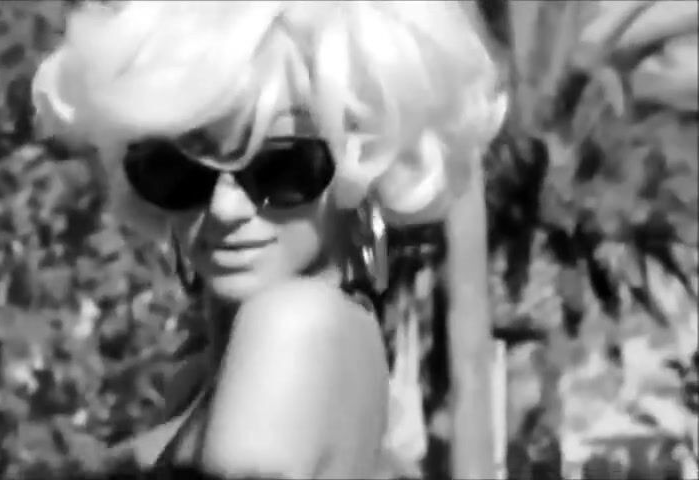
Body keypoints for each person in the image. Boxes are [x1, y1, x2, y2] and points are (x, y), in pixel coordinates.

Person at [31, 1, 506, 478]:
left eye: (281, 169)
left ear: (360, 167)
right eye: (177, 172)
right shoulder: (254, 361)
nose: (225, 208)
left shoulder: (292, 325)